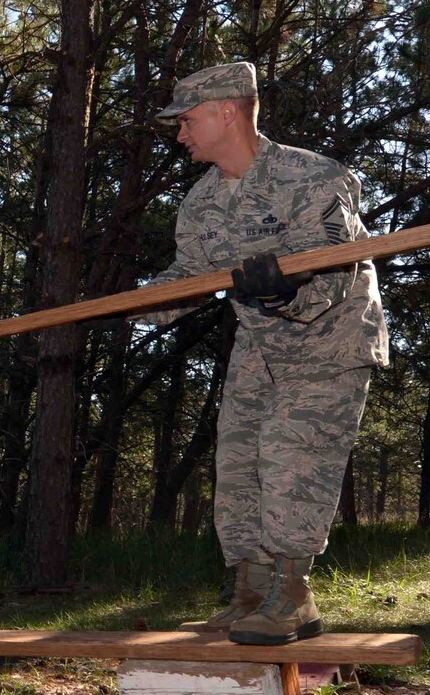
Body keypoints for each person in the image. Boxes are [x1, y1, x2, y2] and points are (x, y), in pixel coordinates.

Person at [145, 62, 388, 645]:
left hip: (329, 338)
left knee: (291, 460)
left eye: (188, 118)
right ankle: (251, 592)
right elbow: (187, 278)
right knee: (239, 466)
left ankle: (294, 597)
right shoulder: (202, 202)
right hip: (261, 346)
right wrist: (120, 308)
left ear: (228, 110)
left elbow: (333, 265)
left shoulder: (313, 176)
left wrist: (287, 290)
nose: (180, 131)